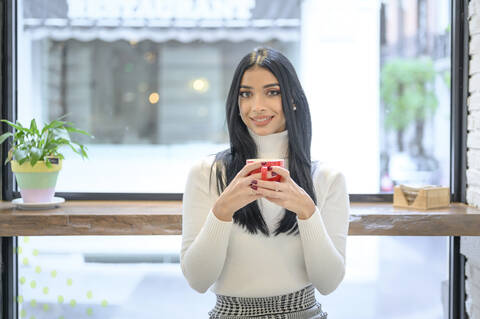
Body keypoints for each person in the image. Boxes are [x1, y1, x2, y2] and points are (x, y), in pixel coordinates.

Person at [181, 47, 350, 319]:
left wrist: (307, 212)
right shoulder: (207, 173)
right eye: (245, 94)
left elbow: (328, 283)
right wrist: (222, 211)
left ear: (293, 98)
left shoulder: (328, 178)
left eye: (272, 92)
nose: (257, 106)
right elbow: (198, 280)